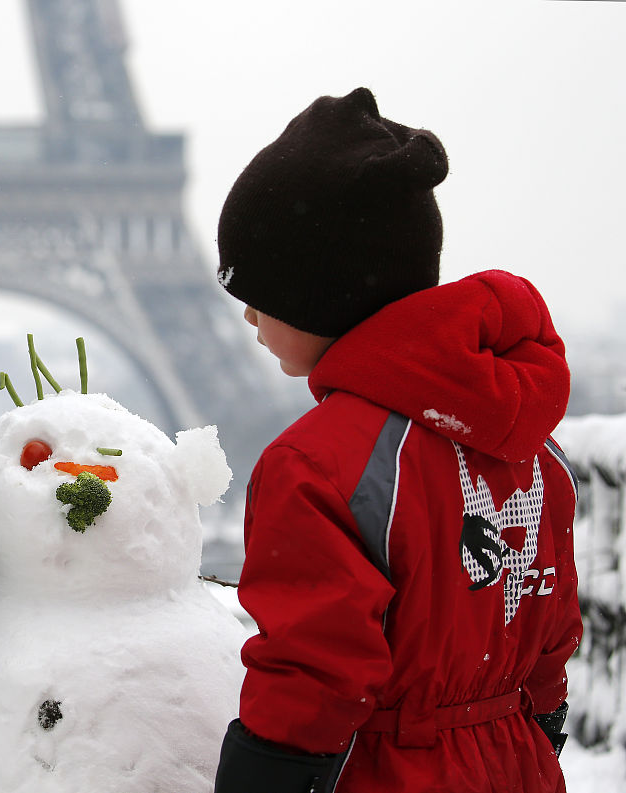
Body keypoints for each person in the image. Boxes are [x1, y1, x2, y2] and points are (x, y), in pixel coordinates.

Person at [211, 88, 581, 793]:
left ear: (329, 295)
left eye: (263, 294)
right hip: (516, 762)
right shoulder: (537, 450)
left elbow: (312, 675)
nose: (251, 315)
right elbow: (550, 628)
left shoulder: (316, 463)